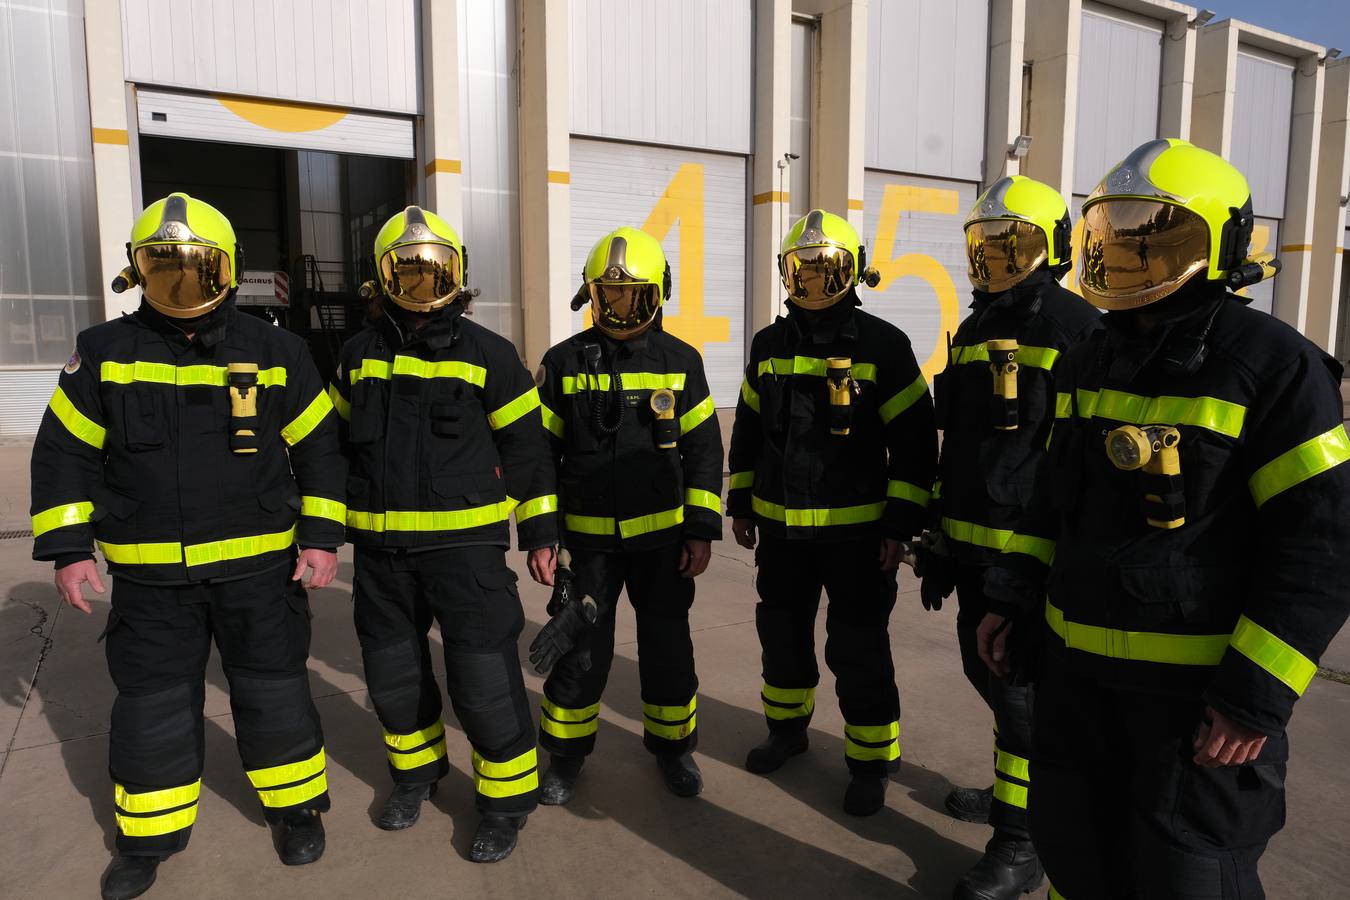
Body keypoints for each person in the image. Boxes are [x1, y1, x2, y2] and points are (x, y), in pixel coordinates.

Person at [976, 139, 1350, 898]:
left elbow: (1321, 546)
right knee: (1074, 856)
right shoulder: (1089, 357)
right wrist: (1012, 594)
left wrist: (1254, 696)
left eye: (1152, 239)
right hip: (1076, 683)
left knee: (1188, 874)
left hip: (1193, 712)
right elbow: (1054, 498)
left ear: (1220, 243)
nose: (1122, 256)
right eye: (1113, 236)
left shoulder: (1278, 366)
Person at [30, 193, 344, 900]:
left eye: (197, 269)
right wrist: (69, 549)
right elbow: (62, 457)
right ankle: (149, 839)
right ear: (135, 272)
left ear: (229, 271)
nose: (180, 285)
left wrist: (322, 539)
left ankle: (296, 811)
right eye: (162, 268)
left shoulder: (278, 351)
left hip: (259, 574)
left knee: (274, 696)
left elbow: (322, 451)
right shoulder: (103, 353)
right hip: (151, 583)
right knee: (152, 709)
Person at [328, 205, 555, 863]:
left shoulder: (490, 355)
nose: (422, 286)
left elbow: (529, 452)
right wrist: (317, 528)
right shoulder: (356, 356)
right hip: (380, 559)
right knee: (394, 681)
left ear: (459, 275)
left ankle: (506, 806)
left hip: (466, 559)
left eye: (435, 272)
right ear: (381, 278)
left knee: (483, 685)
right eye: (407, 272)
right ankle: (417, 779)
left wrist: (541, 533)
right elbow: (331, 449)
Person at [917, 176, 1100, 900]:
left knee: (1022, 695)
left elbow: (1069, 467)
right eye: (986, 244)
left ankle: (1023, 844)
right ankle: (1018, 798)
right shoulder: (976, 326)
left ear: (1052, 245)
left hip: (1026, 557)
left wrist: (1037, 565)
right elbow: (961, 446)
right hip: (969, 549)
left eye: (1012, 243)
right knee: (984, 674)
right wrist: (937, 539)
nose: (995, 256)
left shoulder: (1073, 327)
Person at [727, 209, 937, 816]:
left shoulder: (884, 346)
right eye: (801, 271)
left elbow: (917, 445)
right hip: (782, 536)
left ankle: (871, 761)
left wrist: (899, 527)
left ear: (854, 273)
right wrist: (741, 502)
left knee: (858, 648)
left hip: (858, 540)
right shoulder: (768, 346)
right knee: (782, 637)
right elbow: (746, 432)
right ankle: (787, 733)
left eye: (825, 271)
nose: (811, 284)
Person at [524, 226, 724, 803]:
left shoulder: (682, 361)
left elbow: (705, 452)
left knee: (668, 650)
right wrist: (541, 536)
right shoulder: (561, 363)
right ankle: (564, 759)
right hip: (587, 547)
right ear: (589, 296)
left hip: (663, 543)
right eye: (607, 296)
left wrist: (702, 530)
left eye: (633, 296)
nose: (618, 309)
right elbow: (540, 458)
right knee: (581, 653)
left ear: (660, 293)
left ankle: (673, 750)